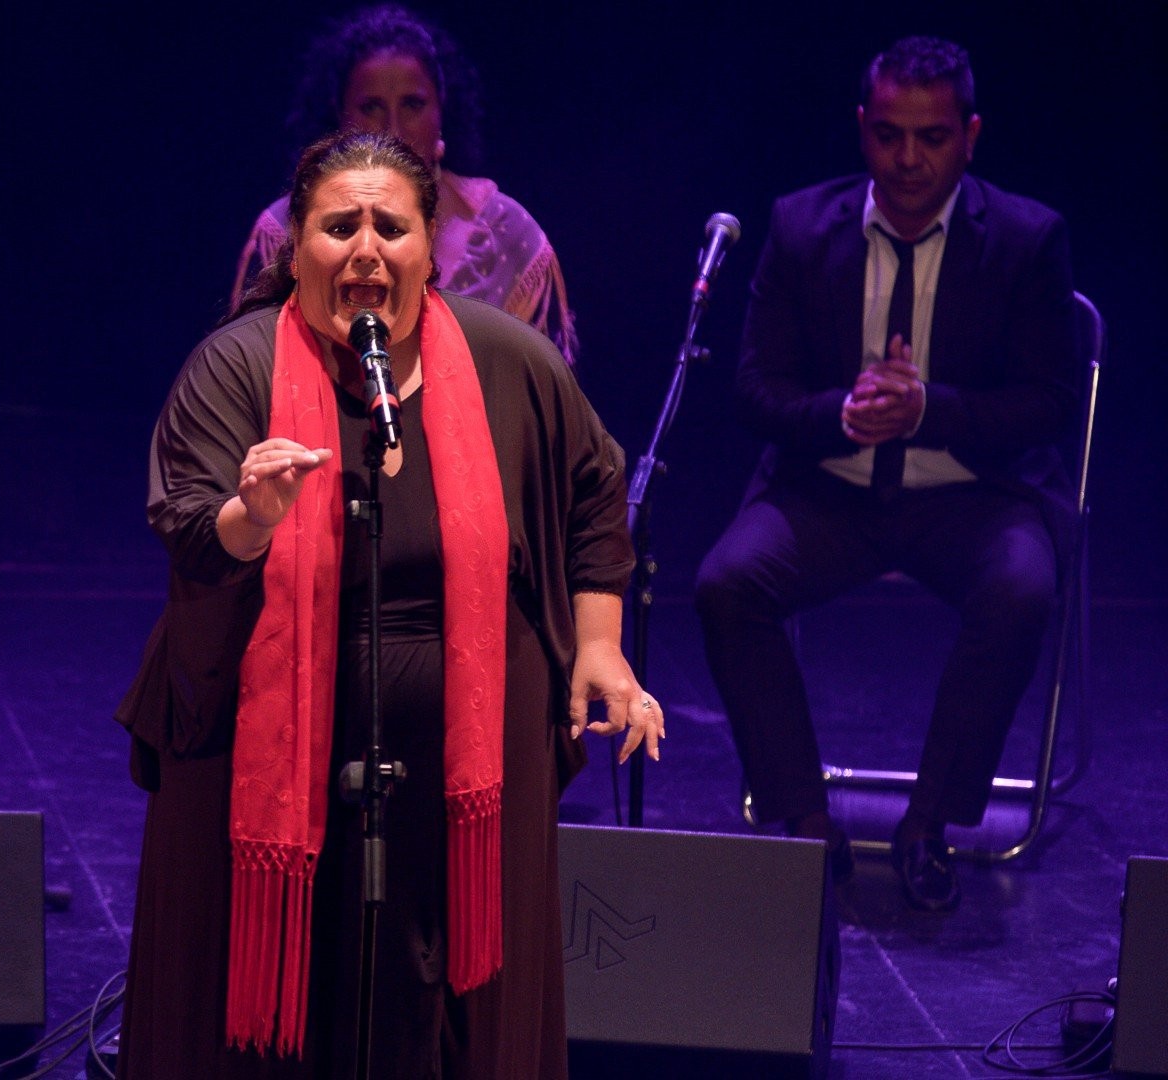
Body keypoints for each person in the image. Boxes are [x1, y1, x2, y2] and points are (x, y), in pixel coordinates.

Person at [117, 131, 660, 1078]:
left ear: (428, 248)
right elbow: (189, 525)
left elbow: (594, 487)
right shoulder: (236, 366)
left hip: (469, 750)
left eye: (391, 227)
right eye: (339, 227)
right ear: (296, 249)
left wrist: (600, 645)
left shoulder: (506, 361)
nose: (366, 249)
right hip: (271, 741)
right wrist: (254, 517)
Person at [694, 37, 1076, 913]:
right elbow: (754, 390)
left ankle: (928, 824)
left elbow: (1050, 404)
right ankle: (807, 825)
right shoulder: (800, 226)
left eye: (932, 137)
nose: (908, 159)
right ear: (862, 128)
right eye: (889, 135)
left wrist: (927, 409)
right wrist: (842, 413)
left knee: (1020, 589)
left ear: (969, 136)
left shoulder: (1027, 239)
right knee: (726, 584)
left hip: (972, 492)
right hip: (829, 487)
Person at [231, 4, 579, 364]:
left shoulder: (506, 234)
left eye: (412, 104)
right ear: (340, 112)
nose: (393, 129)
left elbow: (535, 387)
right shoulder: (289, 228)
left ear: (441, 109)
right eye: (372, 107)